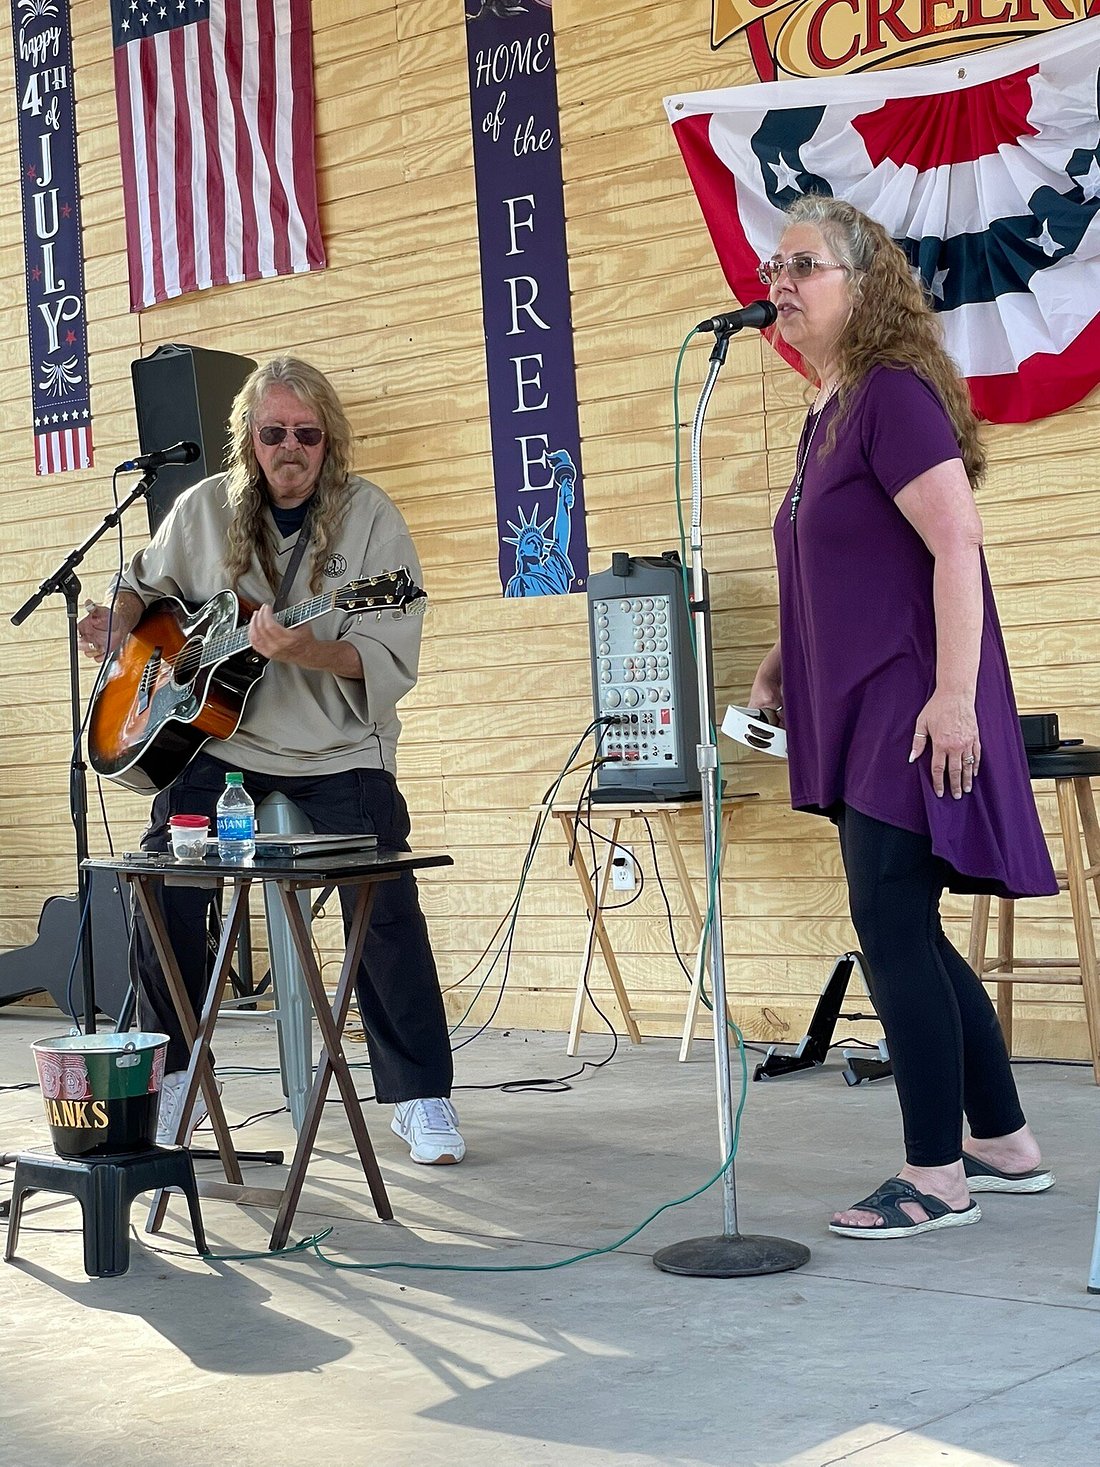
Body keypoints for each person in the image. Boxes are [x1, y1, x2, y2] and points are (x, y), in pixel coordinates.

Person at [747, 195, 1057, 1239]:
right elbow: (839, 562)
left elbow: (955, 548)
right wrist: (785, 659)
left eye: (801, 265)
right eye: (772, 264)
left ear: (861, 283)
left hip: (909, 701)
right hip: (852, 697)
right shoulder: (828, 407)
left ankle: (935, 1175)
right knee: (908, 927)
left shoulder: (889, 396)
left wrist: (954, 696)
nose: (777, 282)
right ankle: (1002, 1143)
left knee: (888, 929)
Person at [77, 357, 464, 1165]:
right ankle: (173, 1069)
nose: (291, 448)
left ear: (330, 441)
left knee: (383, 894)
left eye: (307, 434)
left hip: (335, 747)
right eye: (274, 432)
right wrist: (118, 633)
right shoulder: (201, 510)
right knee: (162, 887)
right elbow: (140, 587)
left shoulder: (369, 521)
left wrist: (308, 651)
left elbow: (387, 653)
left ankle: (419, 1093)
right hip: (218, 745)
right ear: (248, 438)